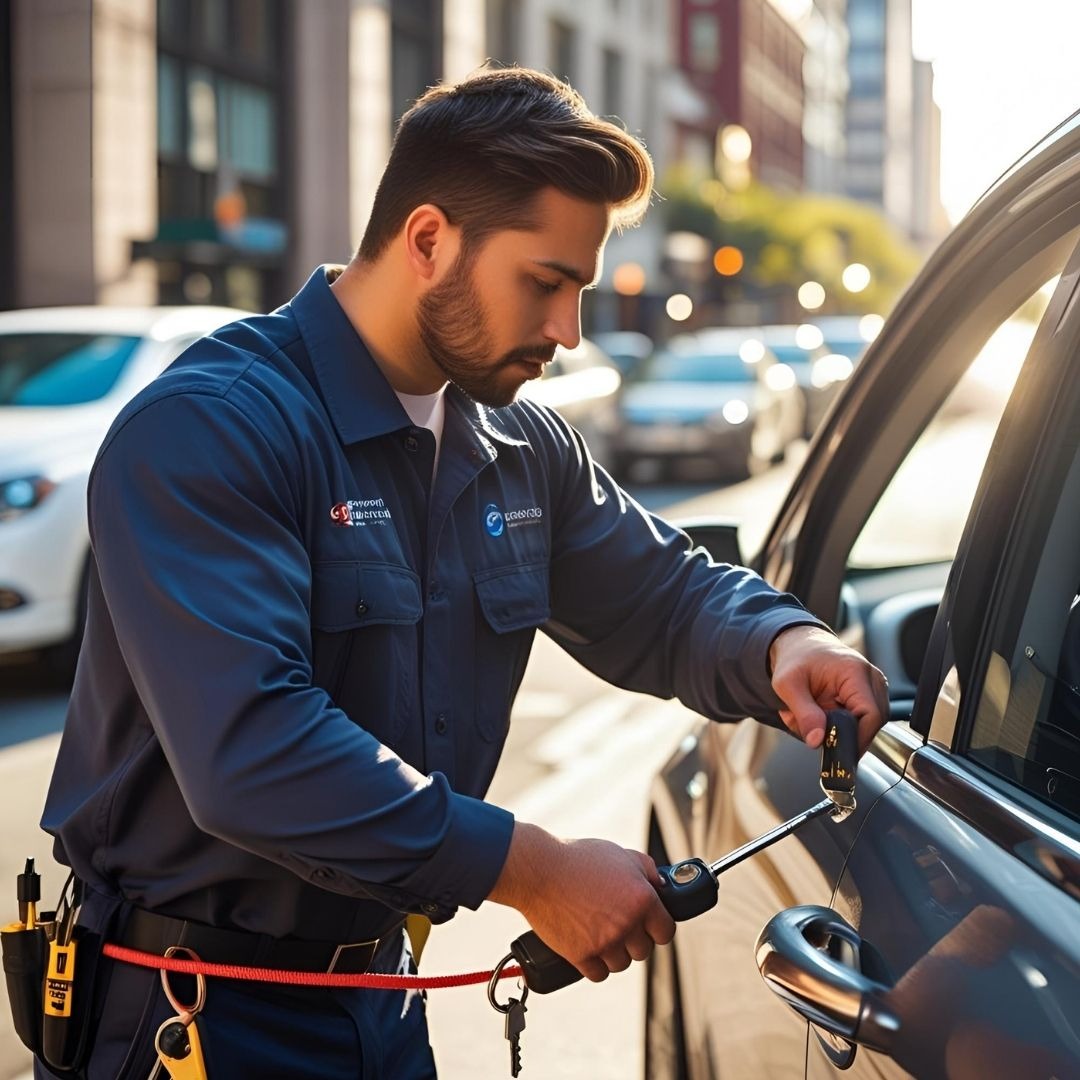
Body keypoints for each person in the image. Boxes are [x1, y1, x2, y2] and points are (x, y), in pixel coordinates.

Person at [37, 66, 888, 1079]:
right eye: (547, 282)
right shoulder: (212, 428)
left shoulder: (522, 446)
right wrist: (532, 870)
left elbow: (662, 597)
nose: (570, 329)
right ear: (430, 239)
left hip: (385, 1003)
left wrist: (786, 642)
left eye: (578, 286)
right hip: (193, 1019)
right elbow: (252, 750)